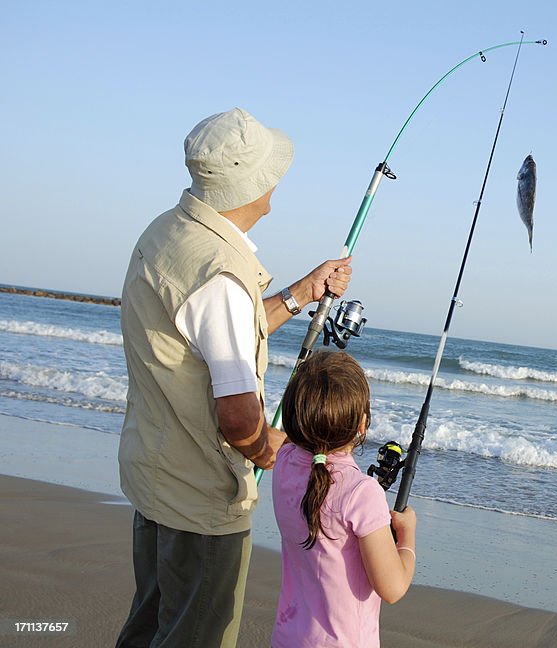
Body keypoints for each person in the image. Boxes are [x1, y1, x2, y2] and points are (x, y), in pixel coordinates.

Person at [116, 107, 353, 647]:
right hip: (199, 499)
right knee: (195, 636)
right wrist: (296, 454)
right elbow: (240, 421)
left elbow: (214, 334)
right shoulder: (220, 273)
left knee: (151, 625)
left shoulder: (168, 231)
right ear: (255, 182)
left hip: (155, 476)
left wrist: (300, 294)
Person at [272, 351, 417, 648]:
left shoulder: (284, 460)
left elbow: (300, 447)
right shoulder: (362, 493)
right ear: (362, 425)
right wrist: (407, 535)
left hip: (287, 638)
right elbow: (393, 587)